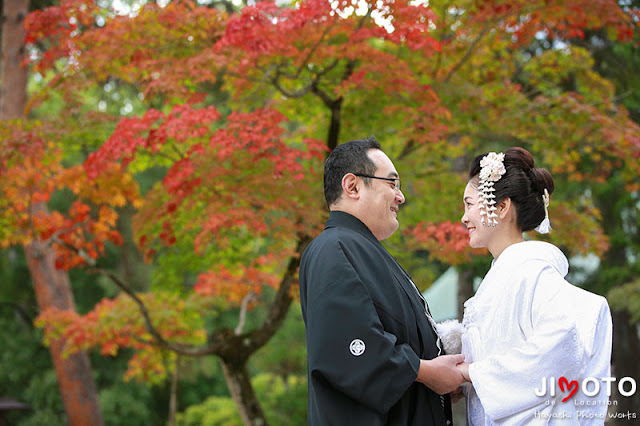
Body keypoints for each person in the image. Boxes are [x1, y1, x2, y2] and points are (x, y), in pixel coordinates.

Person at [299, 136, 466, 425]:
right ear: (352, 186)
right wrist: (426, 372)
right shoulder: (332, 248)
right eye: (392, 183)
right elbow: (348, 349)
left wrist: (438, 384)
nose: (400, 197)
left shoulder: (366, 252)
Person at [455, 147, 613, 425]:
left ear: (501, 207)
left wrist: (472, 373)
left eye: (469, 204)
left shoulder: (533, 273)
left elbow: (563, 346)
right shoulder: (508, 274)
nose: (464, 218)